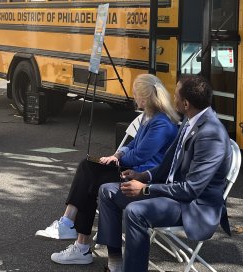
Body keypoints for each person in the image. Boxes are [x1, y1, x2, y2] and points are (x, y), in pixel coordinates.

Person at [35, 73, 179, 266]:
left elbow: (140, 155)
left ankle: (77, 237)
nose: (134, 97)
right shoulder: (150, 116)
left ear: (144, 98)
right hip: (134, 169)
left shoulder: (161, 122)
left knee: (90, 175)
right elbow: (133, 144)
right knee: (88, 172)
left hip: (144, 177)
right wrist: (117, 156)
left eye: (135, 93)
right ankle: (73, 233)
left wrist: (117, 158)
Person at [96, 75, 232, 272]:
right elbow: (168, 163)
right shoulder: (190, 119)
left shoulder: (211, 135)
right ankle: (116, 263)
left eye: (176, 95)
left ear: (185, 104)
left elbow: (191, 189)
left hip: (193, 205)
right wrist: (144, 176)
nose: (171, 97)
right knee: (107, 191)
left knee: (136, 212)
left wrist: (145, 190)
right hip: (171, 193)